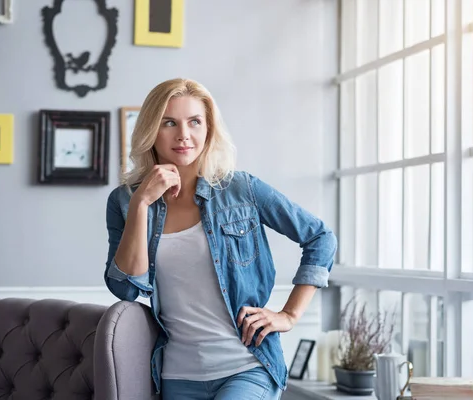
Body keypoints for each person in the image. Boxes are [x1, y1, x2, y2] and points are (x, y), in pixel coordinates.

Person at [104, 78, 337, 400]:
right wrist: (141, 203)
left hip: (247, 365)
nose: (183, 135)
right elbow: (126, 288)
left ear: (209, 129)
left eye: (194, 122)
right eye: (169, 122)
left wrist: (289, 315)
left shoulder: (242, 190)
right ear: (150, 131)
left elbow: (320, 237)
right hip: (176, 374)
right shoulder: (124, 201)